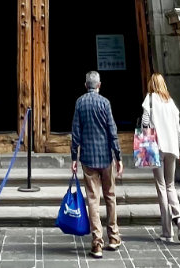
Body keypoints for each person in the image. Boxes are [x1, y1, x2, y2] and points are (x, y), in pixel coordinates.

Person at [70, 70, 122, 258]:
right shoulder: (105, 103)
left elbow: (76, 132)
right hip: (105, 157)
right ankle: (114, 237)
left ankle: (97, 243)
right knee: (110, 196)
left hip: (88, 158)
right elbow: (112, 130)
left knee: (93, 199)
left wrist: (73, 159)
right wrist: (118, 156)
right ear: (99, 85)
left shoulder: (80, 103)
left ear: (86, 85)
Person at [141, 73, 180, 243]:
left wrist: (145, 142)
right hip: (172, 147)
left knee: (161, 186)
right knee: (170, 185)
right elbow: (178, 128)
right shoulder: (170, 102)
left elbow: (145, 121)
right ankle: (179, 215)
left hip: (156, 147)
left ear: (151, 84)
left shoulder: (151, 99)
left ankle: (167, 231)